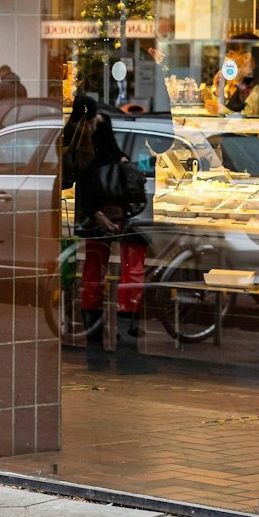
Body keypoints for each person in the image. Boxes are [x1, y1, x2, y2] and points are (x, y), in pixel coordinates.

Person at [59, 93, 153, 372]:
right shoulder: (95, 127)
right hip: (112, 207)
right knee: (130, 272)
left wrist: (94, 212)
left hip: (95, 211)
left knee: (93, 273)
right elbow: (105, 160)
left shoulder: (73, 134)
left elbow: (82, 174)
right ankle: (125, 349)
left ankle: (95, 351)